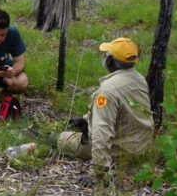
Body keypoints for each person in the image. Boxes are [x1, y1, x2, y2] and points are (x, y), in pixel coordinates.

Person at [57, 37, 154, 179]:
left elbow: (102, 131)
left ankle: (46, 140)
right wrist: (87, 119)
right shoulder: (139, 79)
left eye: (106, 55)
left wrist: (98, 171)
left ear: (109, 61)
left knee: (62, 138)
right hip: (142, 147)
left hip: (120, 151)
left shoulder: (108, 90)